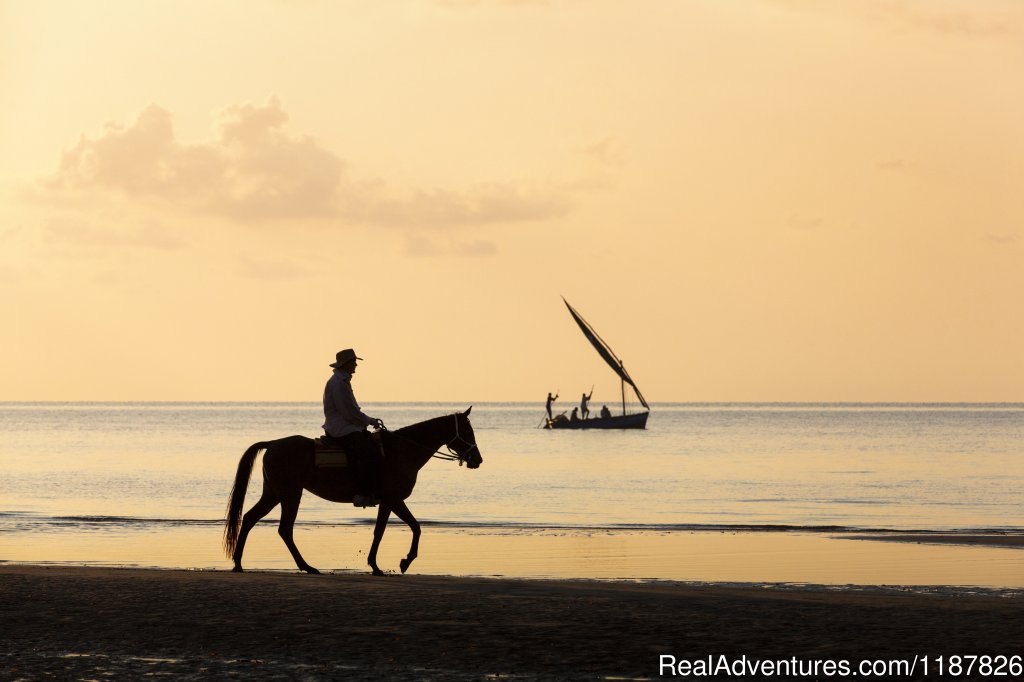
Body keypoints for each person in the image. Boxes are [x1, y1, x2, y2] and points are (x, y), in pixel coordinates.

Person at [322, 348, 384, 507]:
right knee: (369, 452)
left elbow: (351, 411)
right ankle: (362, 493)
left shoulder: (342, 381)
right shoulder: (339, 384)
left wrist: (366, 421)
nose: (356, 364)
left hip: (345, 426)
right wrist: (369, 421)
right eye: (354, 361)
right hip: (342, 429)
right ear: (346, 364)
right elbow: (349, 412)